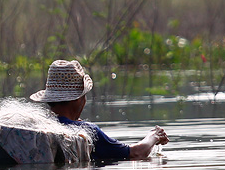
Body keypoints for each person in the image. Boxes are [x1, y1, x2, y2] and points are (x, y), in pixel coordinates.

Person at [30, 59, 169, 162]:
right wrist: (154, 136)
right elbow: (136, 153)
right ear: (77, 100)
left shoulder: (37, 127)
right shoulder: (87, 132)